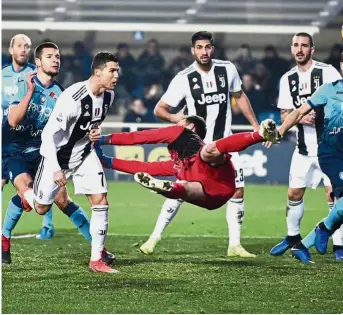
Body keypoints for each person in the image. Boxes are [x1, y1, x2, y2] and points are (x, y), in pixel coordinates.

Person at [147, 31, 261, 257]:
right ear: (193, 50)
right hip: (195, 148)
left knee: (237, 191)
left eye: (207, 47)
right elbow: (159, 109)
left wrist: (256, 126)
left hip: (225, 144)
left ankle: (234, 245)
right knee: (180, 191)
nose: (204, 52)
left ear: (213, 48)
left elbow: (239, 96)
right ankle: (154, 238)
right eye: (199, 47)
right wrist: (176, 119)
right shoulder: (183, 77)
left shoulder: (227, 69)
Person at [1, 42, 114, 265]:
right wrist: (31, 92)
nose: (56, 60)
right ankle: (4, 237)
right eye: (50, 56)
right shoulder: (23, 84)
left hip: (44, 151)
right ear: (38, 62)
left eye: (58, 56)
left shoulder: (62, 94)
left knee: (61, 200)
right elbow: (13, 121)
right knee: (28, 191)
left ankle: (98, 249)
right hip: (14, 150)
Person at [275, 46, 343, 263]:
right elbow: (299, 111)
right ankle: (324, 231)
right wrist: (281, 130)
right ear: (341, 65)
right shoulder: (329, 89)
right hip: (329, 153)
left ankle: (304, 244)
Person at [95, 117, 278, 210]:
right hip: (217, 195)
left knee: (207, 153)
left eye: (181, 121)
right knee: (186, 187)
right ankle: (167, 188)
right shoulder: (175, 163)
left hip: (213, 175)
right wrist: (107, 162)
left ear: (190, 127)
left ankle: (260, 135)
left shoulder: (182, 134)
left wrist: (103, 140)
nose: (176, 123)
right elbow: (144, 168)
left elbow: (139, 137)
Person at [1, 35, 54, 240]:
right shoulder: (3, 75)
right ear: (11, 49)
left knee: (40, 182)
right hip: (7, 136)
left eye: (27, 47)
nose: (24, 50)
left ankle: (47, 226)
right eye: (20, 46)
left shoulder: (36, 74)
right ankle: (4, 230)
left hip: (30, 138)